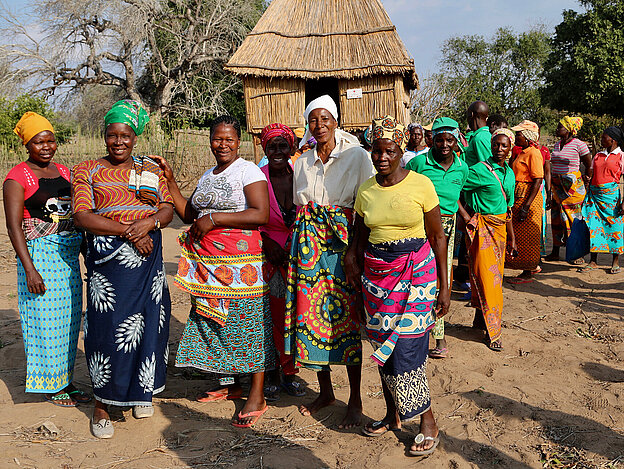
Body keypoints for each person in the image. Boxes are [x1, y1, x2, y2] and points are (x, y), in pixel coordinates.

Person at [153, 115, 274, 429]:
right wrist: (170, 181)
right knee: (217, 321)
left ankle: (257, 394)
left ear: (238, 141)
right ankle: (231, 384)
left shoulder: (247, 170)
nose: (223, 145)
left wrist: (216, 220)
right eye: (218, 139)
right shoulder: (208, 175)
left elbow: (259, 214)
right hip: (210, 266)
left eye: (229, 139)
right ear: (210, 140)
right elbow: (189, 213)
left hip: (243, 265)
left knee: (248, 325)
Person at [344, 115, 449, 456]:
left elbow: (437, 237)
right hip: (376, 279)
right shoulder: (366, 190)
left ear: (401, 151)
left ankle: (427, 421)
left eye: (389, 150)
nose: (382, 157)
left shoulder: (420, 185)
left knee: (406, 350)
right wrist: (354, 272)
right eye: (376, 151)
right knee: (383, 348)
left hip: (416, 274)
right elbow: (358, 239)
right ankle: (393, 414)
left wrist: (445, 286)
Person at [72, 100, 174, 438]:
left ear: (135, 137)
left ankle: (138, 391)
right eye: (113, 136)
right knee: (108, 328)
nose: (119, 142)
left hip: (146, 262)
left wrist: (147, 225)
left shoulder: (149, 169)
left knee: (147, 323)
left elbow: (166, 210)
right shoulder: (87, 169)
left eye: (126, 136)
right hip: (109, 265)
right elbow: (82, 216)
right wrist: (130, 232)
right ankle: (102, 404)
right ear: (104, 136)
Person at [285, 95, 375, 429]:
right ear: (308, 125)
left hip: (342, 246)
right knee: (312, 321)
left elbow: (365, 207)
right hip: (308, 246)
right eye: (313, 120)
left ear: (336, 122)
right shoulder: (302, 161)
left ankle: (354, 398)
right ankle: (325, 392)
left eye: (325, 119)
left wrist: (354, 253)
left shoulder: (357, 156)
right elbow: (300, 206)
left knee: (346, 321)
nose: (319, 125)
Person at [4, 112, 88, 408]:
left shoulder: (64, 172)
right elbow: (14, 226)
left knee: (67, 321)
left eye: (50, 140)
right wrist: (30, 270)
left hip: (68, 256)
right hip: (40, 257)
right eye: (39, 141)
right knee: (44, 322)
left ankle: (66, 380)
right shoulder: (17, 178)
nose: (46, 146)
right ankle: (51, 386)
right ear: (27, 144)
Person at [406, 117, 469, 359]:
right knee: (419, 278)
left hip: (449, 230)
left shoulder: (462, 168)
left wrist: (465, 217)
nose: (444, 144)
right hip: (420, 228)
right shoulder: (419, 164)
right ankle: (416, 332)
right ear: (432, 140)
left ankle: (440, 337)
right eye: (440, 139)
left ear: (455, 142)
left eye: (449, 140)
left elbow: (456, 198)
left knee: (444, 278)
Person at [257, 123, 306, 401]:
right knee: (272, 315)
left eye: (283, 145)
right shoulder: (256, 178)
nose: (277, 151)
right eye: (272, 146)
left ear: (292, 148)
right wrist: (267, 242)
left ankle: (290, 372)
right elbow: (248, 216)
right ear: (264, 148)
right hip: (267, 257)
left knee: (295, 315)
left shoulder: (301, 175)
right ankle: (273, 372)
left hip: (298, 255)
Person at [462, 128, 516, 351]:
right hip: (482, 231)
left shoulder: (509, 174)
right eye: (496, 145)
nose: (499, 149)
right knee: (489, 279)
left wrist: (513, 237)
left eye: (504, 146)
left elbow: (508, 208)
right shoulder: (478, 170)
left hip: (501, 232)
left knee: (492, 277)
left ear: (510, 148)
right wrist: (466, 216)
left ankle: (479, 318)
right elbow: (455, 188)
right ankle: (493, 332)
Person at [545, 116, 592, 263]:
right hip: (558, 187)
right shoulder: (558, 144)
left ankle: (578, 254)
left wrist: (587, 180)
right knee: (557, 220)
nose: (558, 128)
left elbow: (589, 165)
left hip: (573, 190)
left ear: (570, 130)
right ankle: (555, 252)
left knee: (574, 221)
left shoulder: (579, 145)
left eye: (561, 126)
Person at [581, 126, 624, 273]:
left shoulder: (621, 156)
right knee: (594, 226)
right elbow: (592, 174)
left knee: (614, 227)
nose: (601, 139)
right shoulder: (598, 155)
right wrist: (588, 179)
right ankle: (593, 261)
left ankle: (615, 261)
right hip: (594, 196)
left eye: (604, 137)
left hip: (611, 198)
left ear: (612, 140)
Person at [506, 121, 544, 282]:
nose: (516, 137)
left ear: (527, 137)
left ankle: (528, 271)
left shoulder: (533, 153)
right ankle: (525, 268)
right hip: (520, 196)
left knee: (529, 236)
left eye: (519, 134)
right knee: (521, 235)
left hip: (528, 198)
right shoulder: (523, 152)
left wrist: (526, 206)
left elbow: (537, 179)